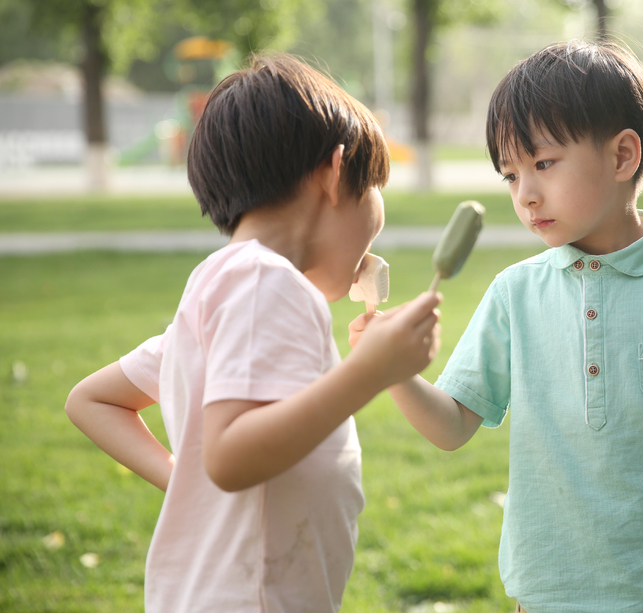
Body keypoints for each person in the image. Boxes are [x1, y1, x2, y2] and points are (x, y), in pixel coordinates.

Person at [356, 41, 643, 613]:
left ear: (622, 157)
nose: (526, 194)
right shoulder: (513, 296)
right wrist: (394, 372)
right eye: (511, 175)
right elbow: (452, 426)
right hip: (553, 593)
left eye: (543, 164)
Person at [65, 53, 441, 613]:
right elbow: (230, 456)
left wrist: (185, 484)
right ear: (335, 175)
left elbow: (92, 400)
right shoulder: (267, 284)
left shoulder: (227, 289)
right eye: (374, 192)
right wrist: (369, 373)